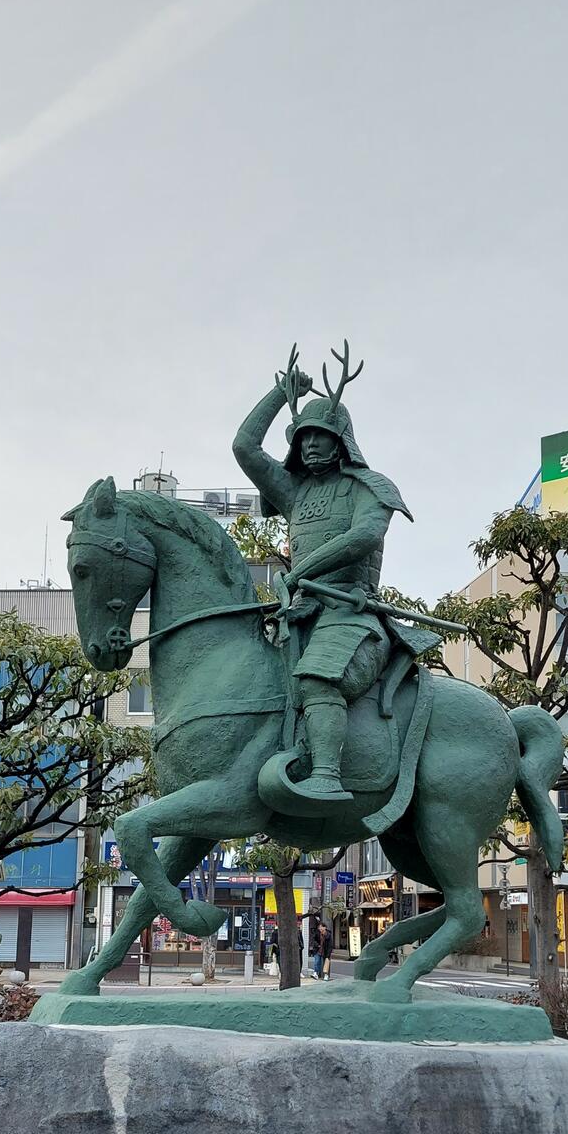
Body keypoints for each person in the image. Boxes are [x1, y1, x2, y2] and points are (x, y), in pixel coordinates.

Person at [233, 343, 427, 807]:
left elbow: (363, 537)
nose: (311, 444)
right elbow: (244, 447)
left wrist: (302, 571)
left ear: (342, 439)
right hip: (298, 613)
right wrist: (279, 394)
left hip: (351, 615)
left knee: (319, 679)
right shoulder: (294, 491)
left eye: (320, 435)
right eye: (303, 437)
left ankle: (325, 776)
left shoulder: (370, 488)